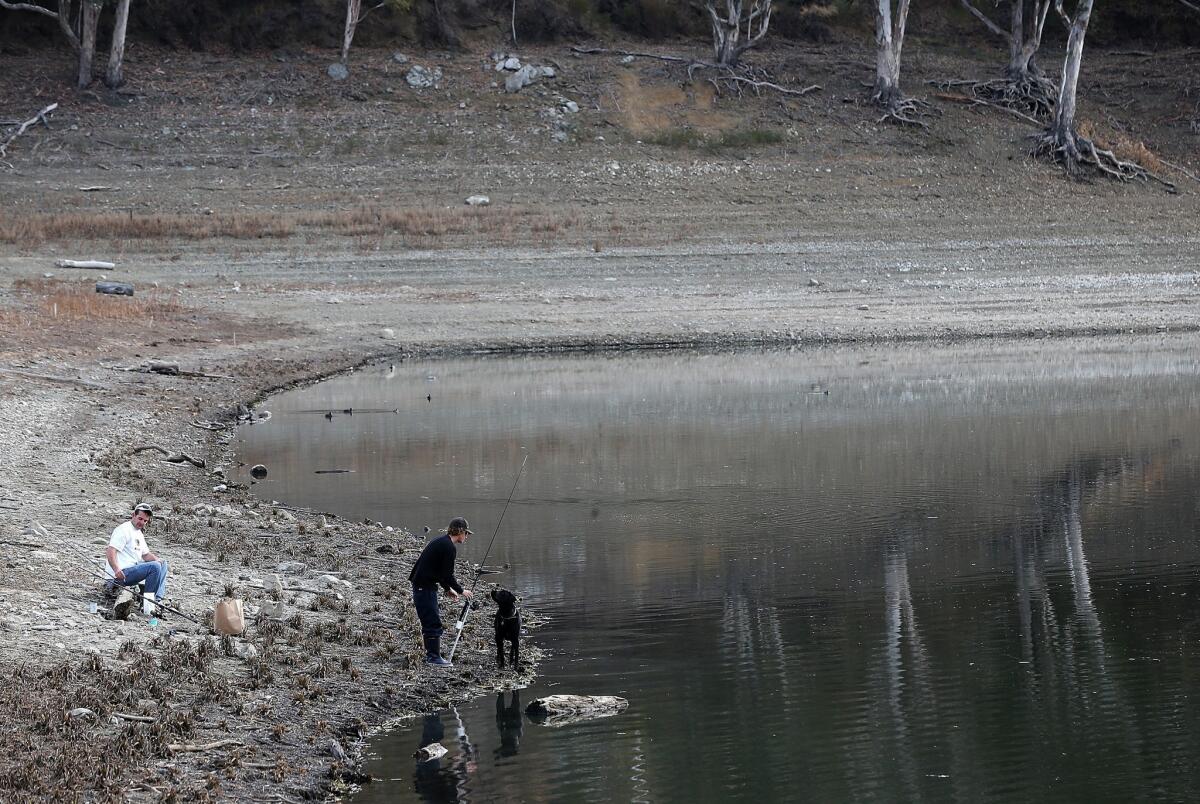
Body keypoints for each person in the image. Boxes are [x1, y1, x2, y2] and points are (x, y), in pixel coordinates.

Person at [409, 516, 474, 666]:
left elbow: (439, 573)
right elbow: (447, 575)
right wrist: (461, 590)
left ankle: (431, 655)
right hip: (423, 587)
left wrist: (447, 589)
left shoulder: (442, 542)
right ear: (460, 531)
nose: (467, 536)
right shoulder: (448, 547)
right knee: (432, 622)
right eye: (467, 533)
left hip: (423, 585)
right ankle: (433, 658)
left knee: (430, 620)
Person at [104, 503, 170, 619]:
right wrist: (116, 569)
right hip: (121, 574)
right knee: (154, 567)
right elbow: (111, 551)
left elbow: (146, 555)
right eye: (140, 519)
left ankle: (156, 600)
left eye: (145, 521)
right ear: (133, 515)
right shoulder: (124, 529)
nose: (142, 523)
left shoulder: (138, 533)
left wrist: (157, 560)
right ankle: (148, 604)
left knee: (162, 564)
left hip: (132, 570)